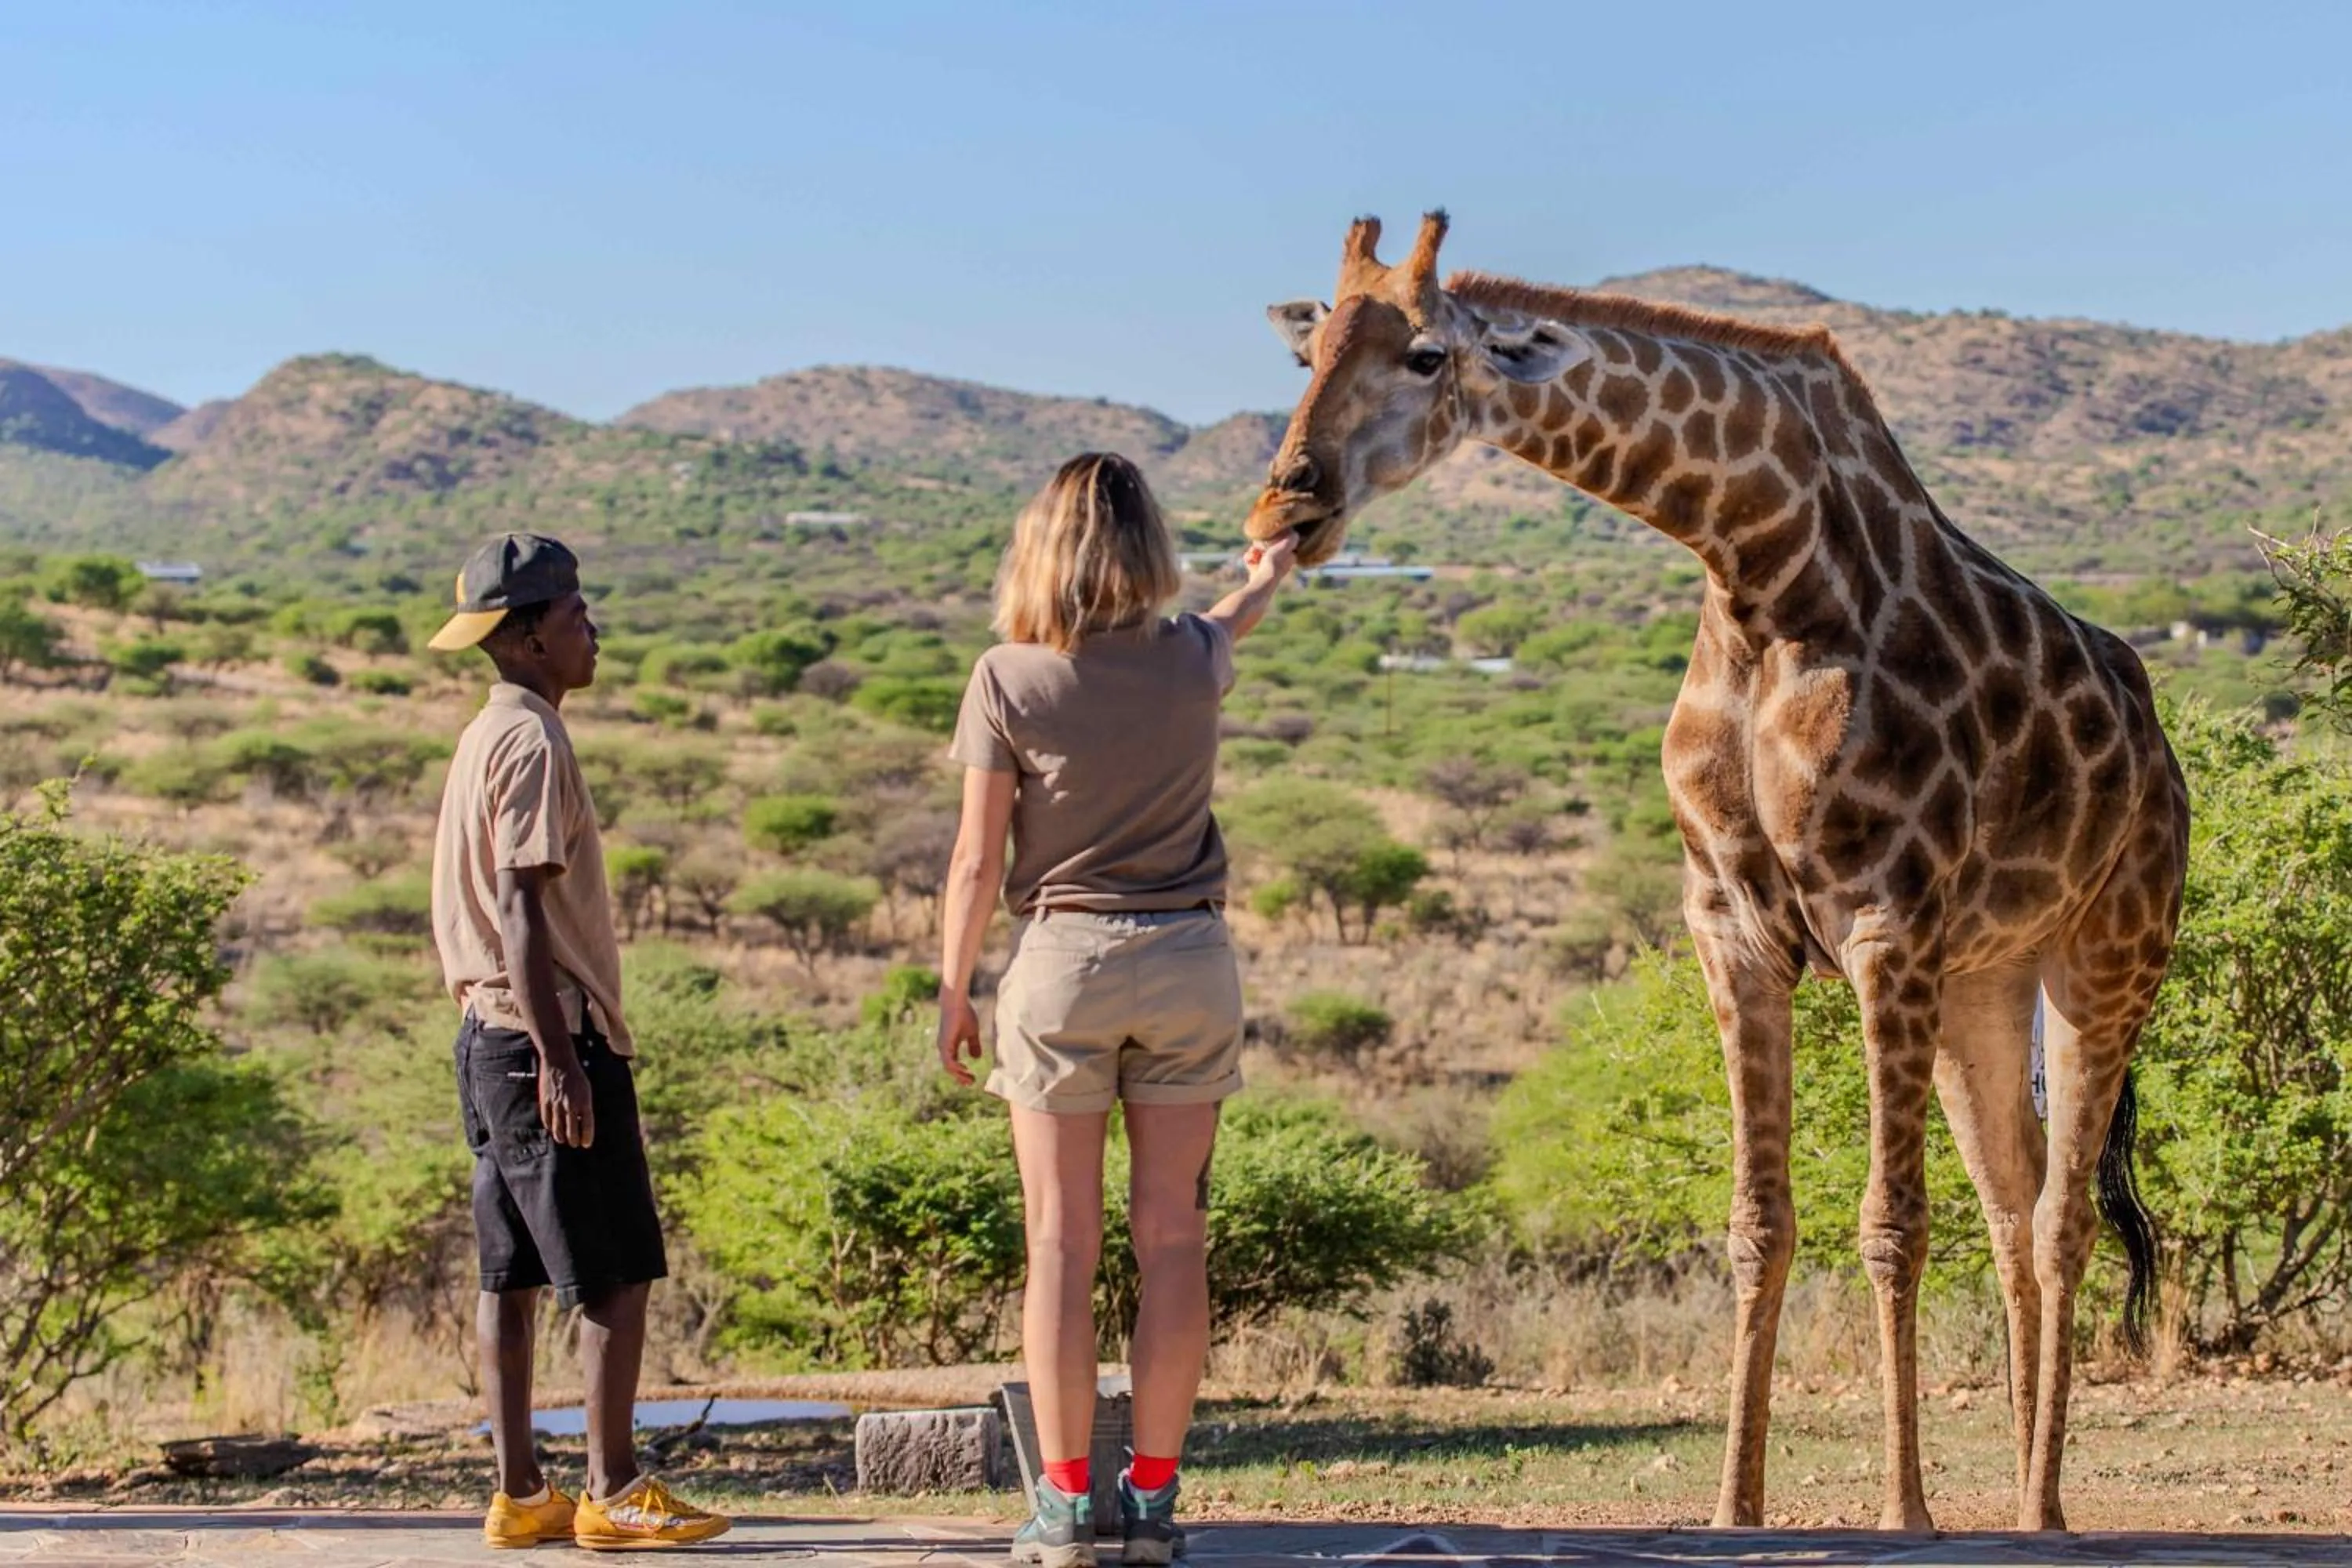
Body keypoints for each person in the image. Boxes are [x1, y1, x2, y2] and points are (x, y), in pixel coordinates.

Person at [936, 455, 1296, 1568]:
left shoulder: (1009, 676)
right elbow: (1231, 619)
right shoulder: (1194, 659)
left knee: (1060, 1245)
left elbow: (974, 860)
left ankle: (1060, 1509)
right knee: (1174, 1240)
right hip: (1191, 960)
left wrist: (952, 988)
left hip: (1062, 967)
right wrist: (1271, 570)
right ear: (1150, 551)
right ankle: (1149, 1504)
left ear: (1039, 545)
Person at [426, 532, 731, 1552]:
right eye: (576, 616)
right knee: (614, 1273)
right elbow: (520, 910)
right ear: (526, 636)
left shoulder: (487, 731)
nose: (591, 631)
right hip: (542, 1038)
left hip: (487, 1040)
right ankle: (611, 1489)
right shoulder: (533, 741)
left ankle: (522, 1495)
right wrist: (563, 1061)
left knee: (508, 1275)